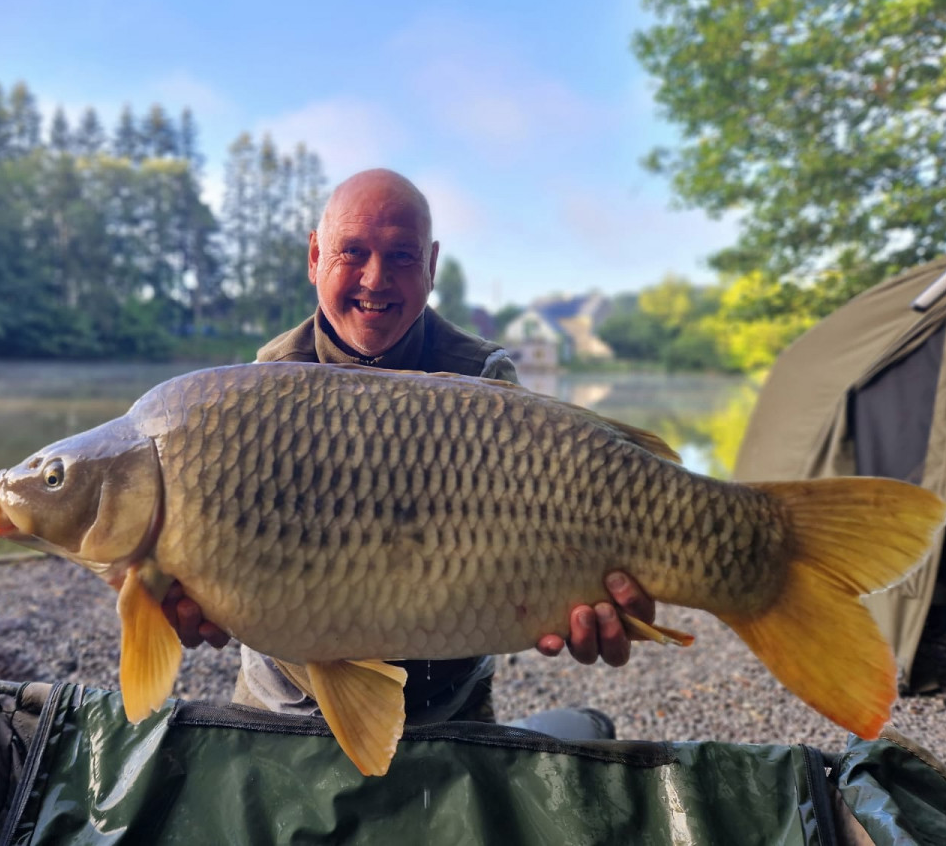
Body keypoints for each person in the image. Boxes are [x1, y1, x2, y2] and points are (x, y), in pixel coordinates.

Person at [162, 168, 656, 734]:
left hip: (446, 702)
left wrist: (587, 593)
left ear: (431, 265)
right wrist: (189, 592)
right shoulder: (260, 388)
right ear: (315, 256)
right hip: (281, 698)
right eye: (353, 252)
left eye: (401, 255)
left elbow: (539, 532)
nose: (376, 279)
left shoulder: (482, 377)